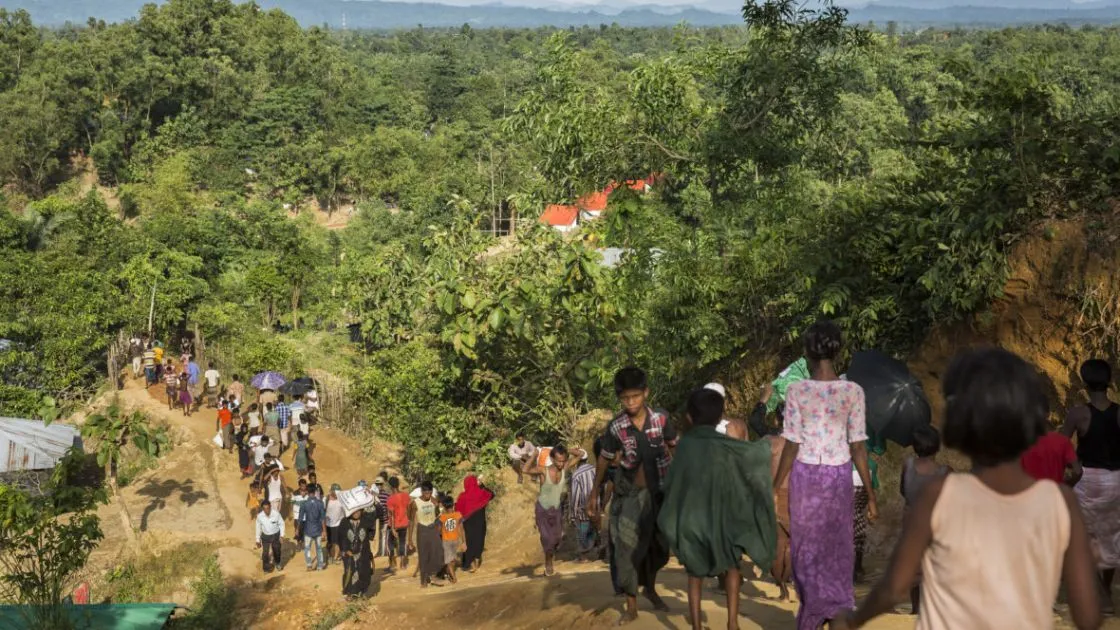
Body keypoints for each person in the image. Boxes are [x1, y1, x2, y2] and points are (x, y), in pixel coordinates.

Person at [833, 348, 1101, 630]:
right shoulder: (1060, 502)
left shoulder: (940, 494)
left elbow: (894, 587)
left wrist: (853, 620)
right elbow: (1088, 617)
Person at [772, 320, 876, 630]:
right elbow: (859, 447)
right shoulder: (853, 392)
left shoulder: (797, 391)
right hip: (838, 478)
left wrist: (776, 485)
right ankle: (836, 610)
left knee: (807, 550)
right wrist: (870, 496)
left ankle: (814, 612)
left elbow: (792, 443)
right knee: (838, 547)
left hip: (806, 478)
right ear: (837, 350)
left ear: (806, 353)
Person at [659, 388, 776, 630]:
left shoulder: (686, 445)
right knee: (732, 566)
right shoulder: (728, 445)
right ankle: (732, 623)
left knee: (694, 572)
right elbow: (755, 456)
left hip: (694, 520)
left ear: (689, 417)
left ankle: (696, 627)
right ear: (721, 417)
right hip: (725, 519)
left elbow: (673, 482)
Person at [588, 366, 678, 625]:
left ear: (646, 393)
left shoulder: (661, 419)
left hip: (660, 491)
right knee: (626, 549)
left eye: (636, 396)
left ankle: (649, 587)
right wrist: (595, 491)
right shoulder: (616, 427)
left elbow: (675, 448)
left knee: (660, 549)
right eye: (625, 398)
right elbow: (604, 459)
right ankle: (631, 606)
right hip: (629, 494)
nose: (631, 402)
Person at [1062, 358, 1120, 615]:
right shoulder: (1119, 412)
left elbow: (1061, 445)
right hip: (1116, 481)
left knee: (1084, 535)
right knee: (1111, 534)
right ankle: (1105, 590)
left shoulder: (1078, 413)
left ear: (1085, 383)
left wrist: (1071, 469)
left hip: (1088, 481)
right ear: (1108, 382)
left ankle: (1099, 592)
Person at [899, 424, 949, 615]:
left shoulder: (908, 465)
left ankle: (915, 609)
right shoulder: (945, 472)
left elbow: (902, 491)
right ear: (937, 447)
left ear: (914, 447)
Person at [526, 444, 585, 576]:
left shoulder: (565, 468)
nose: (561, 463)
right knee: (548, 538)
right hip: (543, 509)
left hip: (556, 508)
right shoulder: (543, 470)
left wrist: (566, 449)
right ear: (552, 459)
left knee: (557, 538)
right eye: (558, 460)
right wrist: (535, 455)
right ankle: (548, 563)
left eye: (563, 460)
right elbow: (525, 469)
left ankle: (549, 552)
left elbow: (580, 454)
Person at [763, 400, 793, 602]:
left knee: (777, 545)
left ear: (777, 419)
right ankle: (787, 582)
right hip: (800, 497)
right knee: (793, 544)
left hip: (774, 495)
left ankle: (782, 588)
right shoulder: (807, 443)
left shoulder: (769, 442)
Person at [455, 474, 494, 573]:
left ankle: (471, 564)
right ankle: (477, 563)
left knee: (470, 542)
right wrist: (481, 485)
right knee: (479, 541)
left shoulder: (462, 497)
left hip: (468, 524)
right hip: (480, 523)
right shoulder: (481, 493)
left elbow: (458, 510)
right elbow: (491, 494)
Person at [408, 481, 443, 587]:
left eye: (429, 491)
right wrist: (409, 539)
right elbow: (411, 521)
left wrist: (436, 505)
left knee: (437, 553)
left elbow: (438, 515)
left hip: (433, 528)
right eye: (425, 491)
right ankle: (423, 580)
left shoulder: (434, 501)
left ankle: (432, 575)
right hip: (422, 529)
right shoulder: (415, 503)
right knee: (423, 555)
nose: (427, 493)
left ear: (432, 491)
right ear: (422, 491)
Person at [570, 445, 599, 561]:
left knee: (582, 531)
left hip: (583, 508)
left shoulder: (576, 474)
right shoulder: (595, 469)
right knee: (594, 528)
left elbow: (576, 495)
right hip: (596, 505)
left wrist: (573, 513)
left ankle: (584, 556)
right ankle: (596, 549)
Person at [342, 511, 373, 598]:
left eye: (359, 511)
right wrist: (346, 549)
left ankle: (362, 592)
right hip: (349, 553)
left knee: (364, 571)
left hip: (363, 552)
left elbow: (370, 535)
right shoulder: (344, 522)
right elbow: (341, 537)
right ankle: (351, 593)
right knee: (350, 572)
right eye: (354, 512)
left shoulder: (365, 521)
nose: (357, 513)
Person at [299, 484, 328, 572]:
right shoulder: (320, 503)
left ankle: (309, 565)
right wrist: (324, 531)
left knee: (307, 548)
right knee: (319, 548)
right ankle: (319, 566)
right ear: (315, 492)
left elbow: (300, 519)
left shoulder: (304, 504)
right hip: (318, 529)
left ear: (307, 491)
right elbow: (323, 518)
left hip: (308, 529)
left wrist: (297, 530)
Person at [438, 495, 466, 583]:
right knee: (452, 560)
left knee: (449, 561)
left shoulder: (442, 517)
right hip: (455, 540)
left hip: (446, 541)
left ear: (444, 506)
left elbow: (439, 531)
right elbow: (462, 529)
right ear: (453, 505)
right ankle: (450, 574)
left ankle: (453, 577)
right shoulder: (458, 515)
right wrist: (464, 542)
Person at [387, 477, 412, 571]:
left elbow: (392, 514)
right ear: (398, 484)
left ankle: (392, 565)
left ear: (390, 486)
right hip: (404, 523)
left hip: (394, 525)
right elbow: (409, 507)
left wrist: (393, 528)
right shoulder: (406, 496)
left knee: (390, 545)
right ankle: (403, 564)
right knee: (402, 542)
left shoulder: (390, 499)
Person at [255, 500, 285, 573]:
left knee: (277, 551)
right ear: (262, 509)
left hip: (275, 535)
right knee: (265, 553)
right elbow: (258, 527)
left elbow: (282, 524)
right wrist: (257, 540)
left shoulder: (276, 514)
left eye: (268, 508)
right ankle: (266, 568)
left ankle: (277, 563)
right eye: (264, 509)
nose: (266, 510)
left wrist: (282, 536)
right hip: (265, 537)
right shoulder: (260, 516)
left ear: (270, 507)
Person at [326, 484, 346, 563]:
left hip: (338, 524)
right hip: (328, 524)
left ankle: (335, 557)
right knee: (330, 542)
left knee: (337, 542)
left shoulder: (342, 501)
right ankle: (330, 556)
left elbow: (345, 512)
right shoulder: (327, 499)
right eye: (335, 491)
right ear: (332, 491)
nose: (337, 493)